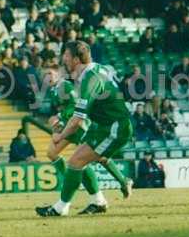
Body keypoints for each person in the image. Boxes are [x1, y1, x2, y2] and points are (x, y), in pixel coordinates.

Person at [35, 40, 133, 217]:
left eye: (66, 55)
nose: (63, 59)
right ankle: (99, 200)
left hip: (114, 127)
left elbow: (78, 119)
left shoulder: (90, 78)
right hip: (104, 125)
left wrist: (60, 134)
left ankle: (61, 207)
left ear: (75, 60)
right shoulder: (93, 72)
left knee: (76, 162)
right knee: (82, 160)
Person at [44, 66, 132, 197]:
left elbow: (75, 105)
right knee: (54, 153)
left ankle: (74, 181)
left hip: (78, 125)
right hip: (69, 124)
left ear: (58, 74)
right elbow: (63, 108)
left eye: (50, 73)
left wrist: (60, 118)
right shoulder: (53, 90)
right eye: (45, 75)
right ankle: (72, 181)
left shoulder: (65, 86)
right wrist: (58, 117)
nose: (47, 77)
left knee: (86, 157)